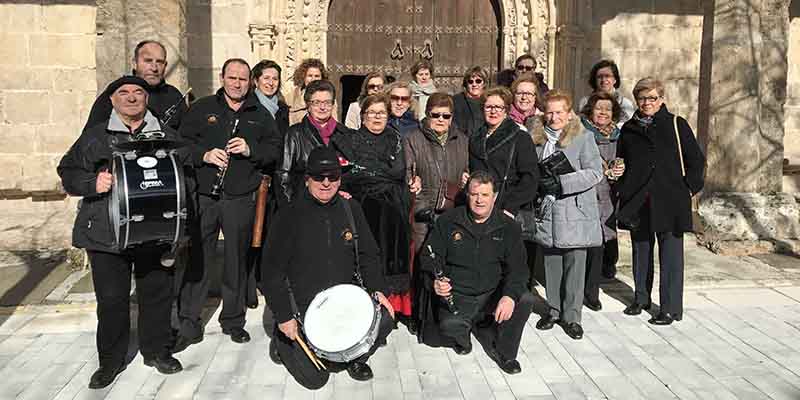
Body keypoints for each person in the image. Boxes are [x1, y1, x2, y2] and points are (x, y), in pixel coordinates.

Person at [58, 76, 189, 389]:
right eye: (124, 93)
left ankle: (156, 351)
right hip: (107, 233)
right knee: (112, 299)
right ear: (112, 100)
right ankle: (110, 361)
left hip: (155, 230)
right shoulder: (96, 136)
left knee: (157, 293)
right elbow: (68, 170)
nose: (132, 98)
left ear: (147, 99)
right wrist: (93, 184)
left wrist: (180, 223)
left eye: (138, 93)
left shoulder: (165, 136)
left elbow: (185, 180)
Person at [262, 147, 396, 389]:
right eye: (319, 177)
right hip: (305, 309)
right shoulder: (288, 216)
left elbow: (368, 254)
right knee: (315, 380)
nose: (326, 183)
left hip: (344, 301)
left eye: (333, 177)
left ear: (340, 178)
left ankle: (357, 357)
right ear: (307, 179)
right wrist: (284, 316)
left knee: (385, 318)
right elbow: (271, 272)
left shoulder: (350, 209)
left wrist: (377, 289)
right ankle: (282, 341)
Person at [174, 58, 283, 352]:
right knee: (199, 258)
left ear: (250, 82)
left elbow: (274, 152)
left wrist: (251, 150)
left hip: (240, 197)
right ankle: (189, 320)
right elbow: (181, 145)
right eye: (232, 78)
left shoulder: (259, 114)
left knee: (236, 261)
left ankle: (233, 320)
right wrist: (205, 155)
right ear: (222, 77)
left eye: (243, 79)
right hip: (206, 197)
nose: (237, 83)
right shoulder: (202, 108)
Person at [419, 170, 534, 374]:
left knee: (523, 299)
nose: (479, 200)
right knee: (449, 327)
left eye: (485, 195)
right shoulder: (448, 221)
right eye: (474, 194)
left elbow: (519, 269)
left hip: (492, 292)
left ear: (495, 196)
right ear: (467, 195)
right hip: (459, 293)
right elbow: (428, 257)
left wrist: (508, 296)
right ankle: (467, 332)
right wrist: (435, 282)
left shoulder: (508, 226)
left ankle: (505, 352)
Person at [616, 77, 705, 325]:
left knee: (671, 256)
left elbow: (696, 162)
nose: (647, 103)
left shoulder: (677, 124)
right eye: (642, 98)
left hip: (670, 201)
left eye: (652, 98)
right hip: (638, 200)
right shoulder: (629, 129)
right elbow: (622, 162)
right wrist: (622, 186)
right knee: (640, 251)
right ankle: (641, 298)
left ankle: (670, 307)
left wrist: (688, 189)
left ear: (661, 99)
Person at [334, 94, 421, 327]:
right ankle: (367, 310)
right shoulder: (349, 140)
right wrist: (370, 175)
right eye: (371, 113)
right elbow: (347, 174)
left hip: (393, 213)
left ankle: (392, 310)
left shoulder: (395, 139)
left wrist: (368, 173)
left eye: (381, 113)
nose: (376, 117)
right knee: (366, 259)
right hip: (361, 212)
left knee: (392, 259)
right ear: (362, 116)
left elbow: (400, 171)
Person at [526, 90, 603, 340]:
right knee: (552, 264)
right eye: (549, 111)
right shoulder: (536, 139)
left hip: (575, 210)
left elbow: (594, 173)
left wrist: (561, 182)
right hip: (548, 210)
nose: (554, 116)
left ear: (569, 114)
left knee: (575, 265)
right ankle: (554, 310)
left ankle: (572, 316)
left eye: (559, 111)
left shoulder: (584, 137)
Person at [404, 92, 470, 253]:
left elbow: (468, 170)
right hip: (423, 215)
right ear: (427, 115)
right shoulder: (413, 139)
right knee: (424, 259)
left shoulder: (462, 140)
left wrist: (466, 179)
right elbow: (407, 173)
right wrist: (414, 187)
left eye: (446, 116)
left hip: (453, 212)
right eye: (436, 115)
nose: (441, 119)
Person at [579, 91, 624, 311]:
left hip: (608, 194)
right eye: (599, 108)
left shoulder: (618, 134)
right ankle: (582, 291)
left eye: (608, 109)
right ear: (590, 110)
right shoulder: (580, 131)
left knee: (601, 242)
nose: (603, 112)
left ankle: (593, 289)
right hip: (586, 193)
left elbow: (624, 158)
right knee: (586, 245)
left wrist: (620, 167)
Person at [277, 80, 352, 206]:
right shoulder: (294, 134)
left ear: (333, 105)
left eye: (327, 102)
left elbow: (351, 171)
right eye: (316, 102)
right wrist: (290, 207)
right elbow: (283, 175)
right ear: (308, 105)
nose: (322, 107)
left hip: (338, 205)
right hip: (303, 205)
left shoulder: (345, 133)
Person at [85, 40, 188, 131]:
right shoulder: (116, 93)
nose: (154, 68)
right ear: (135, 63)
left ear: (165, 66)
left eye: (159, 62)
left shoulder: (173, 96)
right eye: (148, 61)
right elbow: (90, 138)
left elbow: (187, 138)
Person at [468, 86, 539, 218]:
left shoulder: (520, 137)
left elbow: (530, 178)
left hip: (507, 208)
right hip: (479, 207)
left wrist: (510, 207)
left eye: (498, 107)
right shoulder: (474, 138)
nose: (493, 111)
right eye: (488, 107)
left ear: (506, 111)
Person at [577, 60, 636, 128]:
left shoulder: (625, 103)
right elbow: (581, 125)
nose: (603, 80)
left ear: (615, 80)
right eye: (599, 77)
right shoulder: (585, 102)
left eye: (607, 76)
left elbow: (625, 127)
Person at [286, 58, 337, 125]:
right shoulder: (291, 98)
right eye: (310, 76)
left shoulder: (329, 98)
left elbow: (333, 123)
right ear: (303, 77)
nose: (313, 79)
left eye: (317, 76)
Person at [252, 60, 290, 136]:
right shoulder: (248, 105)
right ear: (256, 81)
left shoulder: (283, 108)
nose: (271, 83)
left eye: (275, 79)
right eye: (266, 78)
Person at [452, 66, 487, 136]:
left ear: (484, 83)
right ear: (466, 84)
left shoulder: (488, 100)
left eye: (478, 81)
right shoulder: (456, 100)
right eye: (470, 81)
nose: (474, 84)